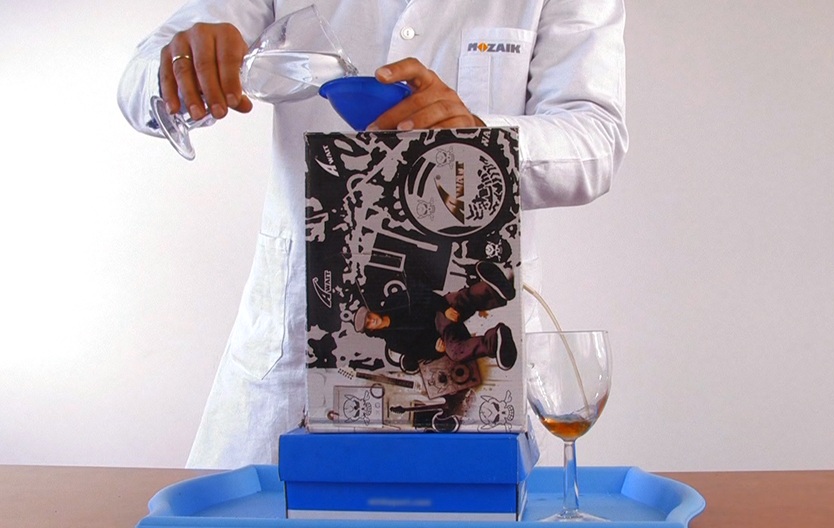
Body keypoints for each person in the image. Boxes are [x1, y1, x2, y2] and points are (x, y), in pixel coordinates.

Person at [117, 0, 628, 469]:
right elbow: (137, 83)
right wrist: (179, 67)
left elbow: (597, 137)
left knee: (466, 501)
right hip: (292, 358)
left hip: (471, 390)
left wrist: (480, 138)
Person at [354, 261, 518, 371]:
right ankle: (497, 341)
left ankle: (496, 291)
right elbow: (419, 352)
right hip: (442, 334)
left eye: (369, 316)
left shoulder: (393, 302)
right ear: (371, 330)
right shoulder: (394, 342)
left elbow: (422, 295)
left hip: (440, 312)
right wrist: (435, 350)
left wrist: (444, 309)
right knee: (454, 352)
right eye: (369, 323)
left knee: (457, 300)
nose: (372, 320)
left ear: (372, 311)